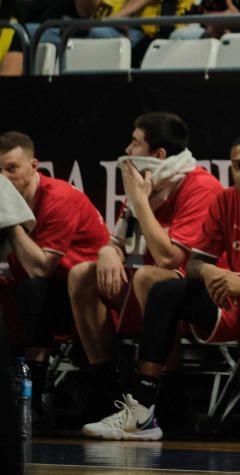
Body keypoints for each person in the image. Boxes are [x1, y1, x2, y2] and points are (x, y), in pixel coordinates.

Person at [82, 135, 240, 440]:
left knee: (151, 278)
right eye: (237, 165)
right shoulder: (225, 199)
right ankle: (143, 409)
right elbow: (193, 264)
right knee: (164, 291)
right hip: (229, 301)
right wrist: (211, 270)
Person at [67, 112, 223, 423]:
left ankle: (167, 392)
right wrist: (108, 251)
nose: (128, 149)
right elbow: (116, 242)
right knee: (83, 274)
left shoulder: (201, 186)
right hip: (153, 290)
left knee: (151, 280)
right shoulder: (149, 182)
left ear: (158, 155)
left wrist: (139, 200)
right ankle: (105, 386)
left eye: (136, 143)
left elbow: (170, 260)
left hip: (204, 292)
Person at [0, 131, 107, 427]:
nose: (3, 179)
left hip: (85, 297)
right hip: (35, 293)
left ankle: (34, 399)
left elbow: (41, 269)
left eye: (11, 169)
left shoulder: (59, 198)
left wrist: (11, 223)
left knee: (33, 289)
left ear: (34, 166)